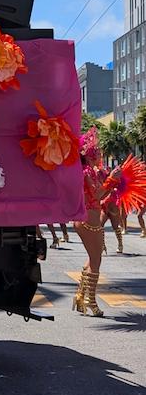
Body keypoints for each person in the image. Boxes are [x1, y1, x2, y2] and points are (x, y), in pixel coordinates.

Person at [72, 129, 121, 316]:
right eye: (98, 150)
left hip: (88, 219)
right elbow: (97, 194)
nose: (100, 152)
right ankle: (90, 301)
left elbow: (99, 196)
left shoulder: (89, 171)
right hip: (89, 221)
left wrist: (112, 182)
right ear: (91, 154)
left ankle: (80, 295)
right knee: (96, 261)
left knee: (91, 260)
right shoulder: (87, 172)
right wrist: (110, 181)